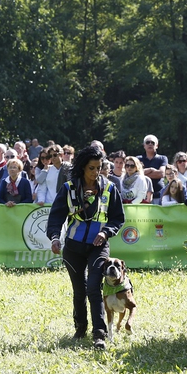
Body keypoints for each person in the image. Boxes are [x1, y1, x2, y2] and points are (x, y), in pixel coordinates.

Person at [47, 146, 125, 350]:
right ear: (82, 167)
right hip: (73, 248)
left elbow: (118, 218)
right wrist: (55, 238)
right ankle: (80, 329)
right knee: (79, 291)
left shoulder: (110, 188)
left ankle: (99, 334)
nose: (96, 172)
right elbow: (56, 217)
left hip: (98, 246)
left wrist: (105, 232)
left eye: (99, 168)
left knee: (93, 288)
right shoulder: (68, 188)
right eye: (92, 168)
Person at [138, 134, 168, 204]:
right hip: (141, 195)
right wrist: (151, 169)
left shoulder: (162, 158)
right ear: (144, 145)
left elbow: (161, 174)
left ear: (157, 146)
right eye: (147, 142)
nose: (150, 144)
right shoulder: (138, 159)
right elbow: (136, 174)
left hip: (159, 195)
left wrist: (143, 173)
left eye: (153, 142)